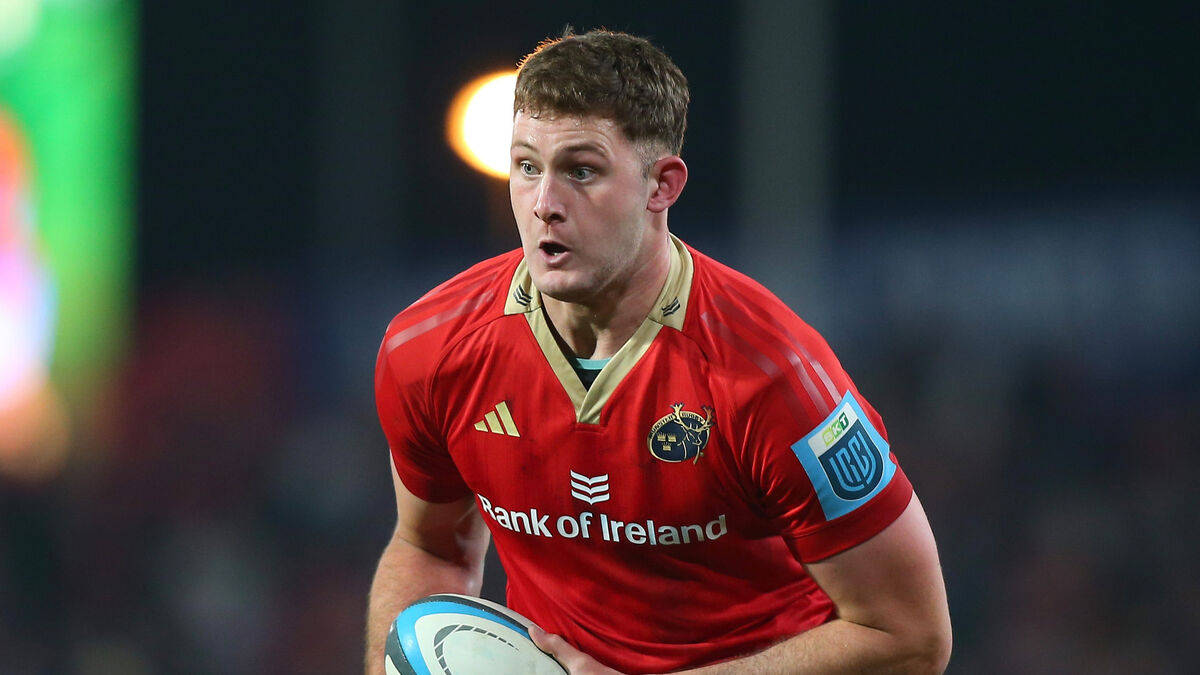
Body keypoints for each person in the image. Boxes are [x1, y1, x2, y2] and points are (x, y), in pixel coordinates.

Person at [366, 29, 951, 674]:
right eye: (527, 167)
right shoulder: (430, 350)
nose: (545, 205)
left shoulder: (772, 379)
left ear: (662, 186)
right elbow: (431, 549)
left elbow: (909, 637)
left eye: (581, 171)